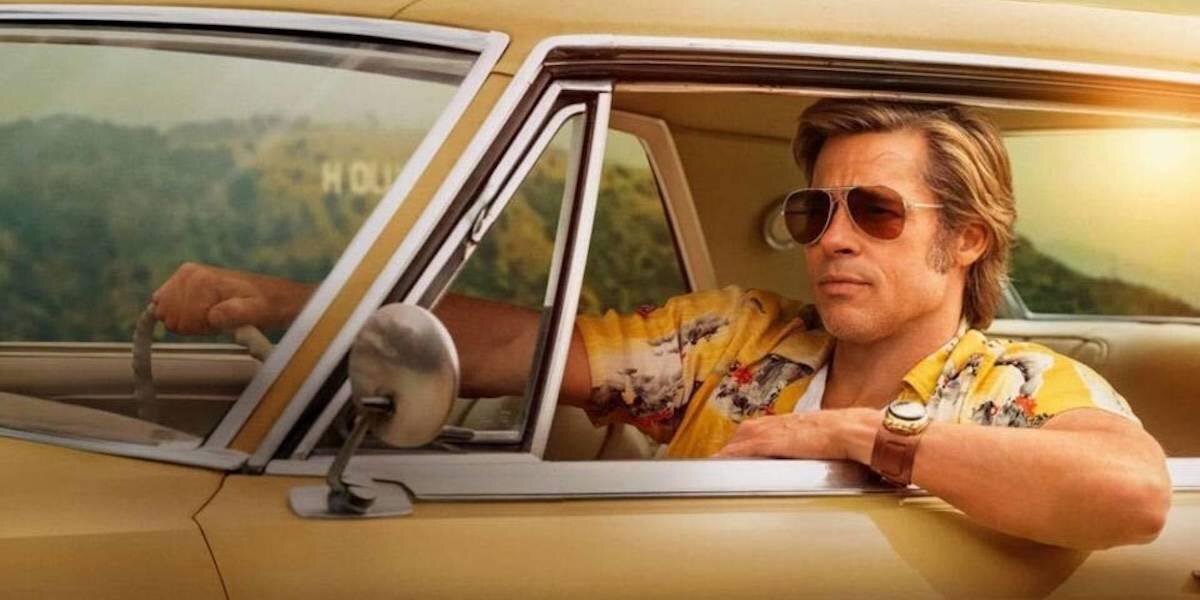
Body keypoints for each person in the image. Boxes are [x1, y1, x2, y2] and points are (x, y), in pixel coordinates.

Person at [152, 99, 1170, 550]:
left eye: (876, 211)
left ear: (968, 240)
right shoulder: (737, 337)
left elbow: (1132, 495)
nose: (832, 239)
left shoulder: (1011, 386)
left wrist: (861, 436)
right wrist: (292, 302)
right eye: (815, 211)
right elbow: (518, 350)